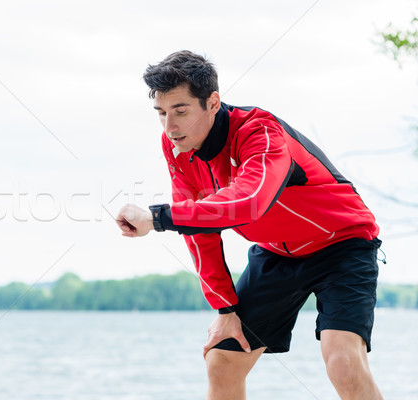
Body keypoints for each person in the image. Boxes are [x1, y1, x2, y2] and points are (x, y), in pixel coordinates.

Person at [116, 50, 383, 400]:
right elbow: (198, 231)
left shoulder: (260, 133)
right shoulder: (176, 146)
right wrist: (224, 308)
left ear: (213, 103)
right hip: (275, 254)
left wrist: (157, 218)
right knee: (222, 359)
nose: (170, 126)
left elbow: (249, 202)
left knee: (342, 360)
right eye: (161, 114)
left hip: (343, 245)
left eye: (180, 111)